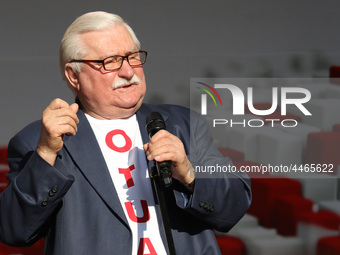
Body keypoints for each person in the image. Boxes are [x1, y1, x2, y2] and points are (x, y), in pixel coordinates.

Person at [0, 11, 251, 255]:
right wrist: (45, 154)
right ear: (73, 75)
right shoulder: (39, 141)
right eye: (110, 62)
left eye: (132, 57)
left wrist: (188, 173)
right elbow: (14, 231)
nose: (128, 72)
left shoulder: (182, 123)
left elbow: (235, 205)